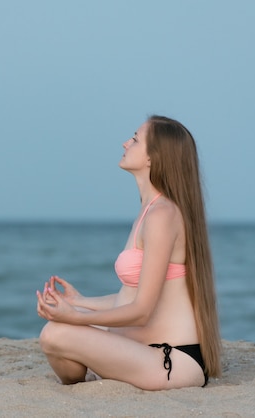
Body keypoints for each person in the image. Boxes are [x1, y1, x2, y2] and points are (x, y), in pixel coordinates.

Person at [36, 115, 221, 390]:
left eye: (135, 139)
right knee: (67, 330)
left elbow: (142, 311)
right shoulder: (150, 211)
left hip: (170, 361)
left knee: (55, 334)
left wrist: (76, 317)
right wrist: (81, 302)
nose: (125, 142)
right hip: (146, 351)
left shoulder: (162, 214)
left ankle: (81, 380)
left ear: (152, 158)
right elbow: (133, 296)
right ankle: (85, 378)